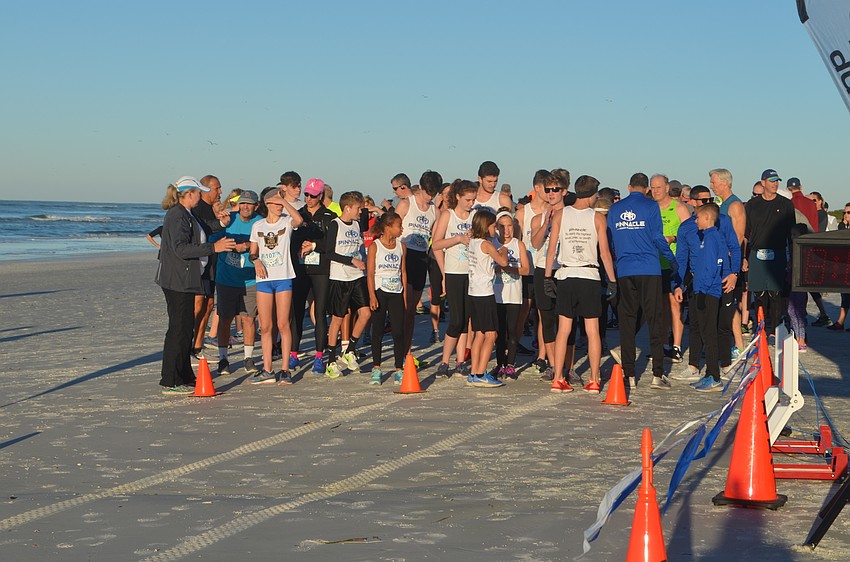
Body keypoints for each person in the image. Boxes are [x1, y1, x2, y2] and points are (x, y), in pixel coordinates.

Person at [156, 176, 235, 395]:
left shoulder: (187, 214)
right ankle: (170, 380)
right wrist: (213, 248)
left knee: (184, 329)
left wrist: (221, 224)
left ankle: (183, 375)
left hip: (187, 280)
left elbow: (205, 229)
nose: (201, 196)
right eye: (198, 192)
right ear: (189, 194)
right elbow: (181, 249)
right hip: (177, 281)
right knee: (178, 330)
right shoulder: (177, 215)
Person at [545, 175, 616, 394]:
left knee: (564, 329)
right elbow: (604, 253)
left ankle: (558, 377)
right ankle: (594, 379)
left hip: (566, 275)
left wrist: (548, 277)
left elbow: (551, 249)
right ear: (592, 195)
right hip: (589, 276)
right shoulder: (597, 218)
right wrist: (612, 281)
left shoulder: (560, 214)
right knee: (592, 329)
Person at [608, 172, 678, 389]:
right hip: (649, 268)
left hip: (625, 269)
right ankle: (658, 374)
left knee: (627, 320)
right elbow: (658, 237)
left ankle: (628, 373)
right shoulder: (650, 207)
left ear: (629, 187)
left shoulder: (615, 209)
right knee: (655, 319)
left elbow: (610, 240)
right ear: (646, 188)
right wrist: (672, 261)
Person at [672, 185, 741, 383]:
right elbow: (682, 258)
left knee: (723, 324)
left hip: (723, 279)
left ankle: (724, 365)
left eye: (710, 200)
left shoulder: (723, 222)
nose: (709, 203)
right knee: (696, 324)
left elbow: (734, 248)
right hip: (698, 281)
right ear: (693, 203)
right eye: (704, 201)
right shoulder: (687, 227)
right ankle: (694, 365)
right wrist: (679, 284)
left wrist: (734, 274)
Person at [247, 189, 303, 385]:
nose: (280, 206)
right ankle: (267, 369)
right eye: (276, 203)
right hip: (264, 279)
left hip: (284, 277)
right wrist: (256, 262)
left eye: (281, 203)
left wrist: (284, 202)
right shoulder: (258, 225)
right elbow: (252, 252)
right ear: (267, 204)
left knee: (283, 324)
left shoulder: (286, 222)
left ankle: (285, 369)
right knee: (266, 326)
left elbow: (299, 220)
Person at [290, 178, 338, 375]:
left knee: (319, 312)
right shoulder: (298, 215)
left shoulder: (330, 216)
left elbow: (333, 244)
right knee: (296, 311)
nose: (308, 198)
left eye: (313, 195)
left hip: (321, 269)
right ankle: (293, 353)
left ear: (321, 196)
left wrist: (314, 245)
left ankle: (319, 355)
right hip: (300, 269)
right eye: (306, 195)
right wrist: (298, 247)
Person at [211, 190, 261, 376]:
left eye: (249, 204)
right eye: (243, 203)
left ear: (256, 206)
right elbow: (212, 241)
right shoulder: (228, 219)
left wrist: (247, 245)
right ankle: (223, 359)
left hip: (250, 278)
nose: (245, 207)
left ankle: (248, 358)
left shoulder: (260, 222)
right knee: (225, 320)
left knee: (249, 319)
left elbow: (268, 244)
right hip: (227, 278)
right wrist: (232, 244)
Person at [324, 191, 372, 378]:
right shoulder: (335, 225)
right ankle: (330, 360)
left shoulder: (358, 224)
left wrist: (364, 264)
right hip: (340, 277)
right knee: (338, 318)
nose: (360, 211)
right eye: (358, 208)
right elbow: (329, 253)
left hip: (357, 276)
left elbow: (360, 248)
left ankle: (350, 349)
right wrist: (351, 260)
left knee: (366, 313)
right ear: (347, 208)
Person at [433, 180, 477, 377]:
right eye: (468, 199)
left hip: (472, 272)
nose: (471, 203)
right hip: (453, 272)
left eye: (473, 199)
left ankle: (460, 360)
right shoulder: (447, 215)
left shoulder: (474, 215)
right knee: (456, 319)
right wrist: (458, 239)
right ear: (458, 197)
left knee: (466, 318)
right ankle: (444, 360)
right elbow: (436, 245)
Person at [744, 169, 796, 334]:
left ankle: (775, 328)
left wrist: (792, 258)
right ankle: (760, 329)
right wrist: (744, 258)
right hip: (757, 253)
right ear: (763, 182)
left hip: (778, 252)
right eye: (772, 180)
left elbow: (791, 233)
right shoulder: (752, 205)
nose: (775, 184)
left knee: (775, 293)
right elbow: (746, 233)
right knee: (759, 294)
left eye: (777, 181)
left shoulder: (786, 204)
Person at [396, 171, 441, 354]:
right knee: (404, 307)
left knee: (412, 310)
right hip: (404, 256)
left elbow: (436, 244)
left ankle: (406, 351)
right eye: (428, 192)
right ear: (420, 187)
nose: (430, 197)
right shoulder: (407, 203)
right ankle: (400, 349)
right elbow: (391, 229)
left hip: (421, 259)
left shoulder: (435, 211)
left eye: (434, 193)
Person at [531, 172, 568, 380]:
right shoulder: (539, 217)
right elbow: (535, 244)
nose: (551, 194)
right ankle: (554, 365)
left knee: (565, 318)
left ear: (563, 191)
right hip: (541, 268)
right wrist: (546, 223)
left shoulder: (571, 214)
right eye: (548, 190)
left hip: (562, 270)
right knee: (546, 319)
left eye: (555, 190)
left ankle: (566, 366)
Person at [650, 174, 691, 363]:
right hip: (654, 263)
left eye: (659, 187)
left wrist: (672, 238)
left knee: (675, 304)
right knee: (660, 307)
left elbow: (690, 234)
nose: (656, 191)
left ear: (667, 188)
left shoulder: (679, 207)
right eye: (653, 187)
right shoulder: (650, 208)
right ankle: (663, 344)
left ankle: (676, 346)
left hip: (674, 262)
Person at [466, 210, 509, 387]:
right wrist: (504, 251)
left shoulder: (473, 242)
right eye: (493, 226)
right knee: (491, 334)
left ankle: (474, 373)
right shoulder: (486, 244)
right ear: (486, 226)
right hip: (484, 293)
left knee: (479, 334)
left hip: (473, 292)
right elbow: (503, 262)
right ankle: (481, 372)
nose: (495, 229)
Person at [514, 170, 552, 361]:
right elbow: (515, 241)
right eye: (547, 189)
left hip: (546, 267)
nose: (550, 192)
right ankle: (513, 347)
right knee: (524, 310)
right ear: (537, 188)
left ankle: (542, 355)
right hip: (528, 269)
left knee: (544, 314)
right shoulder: (523, 213)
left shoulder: (552, 211)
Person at [190, 175, 229, 360]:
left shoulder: (210, 209)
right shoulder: (197, 209)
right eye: (217, 188)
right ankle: (191, 345)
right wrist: (220, 223)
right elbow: (206, 229)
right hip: (200, 264)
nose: (220, 192)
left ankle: (198, 347)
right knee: (198, 305)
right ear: (206, 189)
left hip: (213, 263)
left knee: (208, 304)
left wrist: (220, 219)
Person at [366, 212, 407, 385]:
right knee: (377, 332)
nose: (401, 229)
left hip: (396, 292)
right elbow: (370, 273)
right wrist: (372, 296)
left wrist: (405, 295)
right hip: (380, 292)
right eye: (399, 226)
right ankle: (376, 367)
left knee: (398, 332)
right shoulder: (375, 246)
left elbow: (403, 272)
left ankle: (399, 368)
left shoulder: (401, 246)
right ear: (388, 227)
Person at [493, 208, 530, 379]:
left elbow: (525, 269)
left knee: (513, 331)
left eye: (509, 226)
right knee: (499, 332)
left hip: (514, 294)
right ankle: (500, 363)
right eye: (502, 226)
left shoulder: (518, 244)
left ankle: (511, 364)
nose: (506, 230)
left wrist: (507, 267)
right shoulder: (492, 244)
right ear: (496, 228)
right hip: (497, 294)